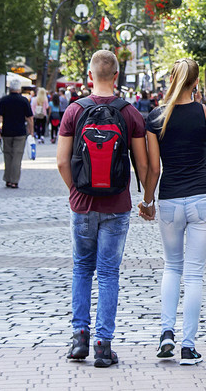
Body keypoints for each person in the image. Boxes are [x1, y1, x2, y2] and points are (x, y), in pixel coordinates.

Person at [56, 50, 149, 368]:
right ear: (117, 76)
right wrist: (146, 198)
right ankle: (103, 345)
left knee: (82, 269)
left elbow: (60, 160)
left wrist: (75, 191)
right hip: (117, 204)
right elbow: (145, 163)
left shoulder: (74, 110)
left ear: (90, 75)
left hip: (82, 204)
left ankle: (79, 336)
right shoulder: (130, 113)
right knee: (108, 273)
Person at [139, 58, 206, 365]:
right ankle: (188, 346)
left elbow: (153, 168)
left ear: (171, 78)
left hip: (170, 198)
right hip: (202, 197)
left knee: (172, 268)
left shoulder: (156, 116)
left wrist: (147, 201)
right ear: (195, 82)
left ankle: (166, 333)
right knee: (194, 274)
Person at [0, 78, 34, 189]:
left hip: (6, 132)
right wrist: (31, 131)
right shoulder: (23, 100)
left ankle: (7, 179)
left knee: (7, 155)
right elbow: (29, 118)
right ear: (19, 88)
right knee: (17, 157)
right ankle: (14, 181)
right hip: (20, 132)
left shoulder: (4, 100)